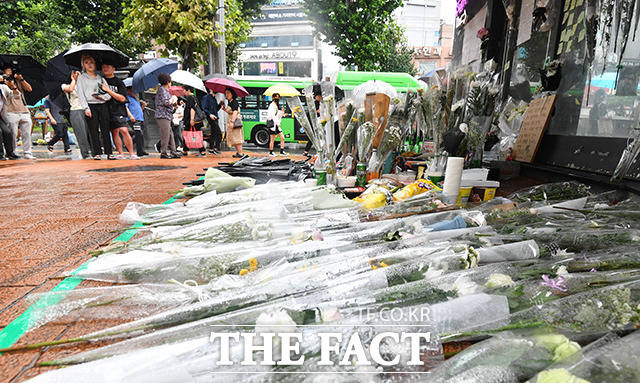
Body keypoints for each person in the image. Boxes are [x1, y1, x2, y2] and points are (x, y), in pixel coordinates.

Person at [76, 55, 113, 160]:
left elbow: (108, 93)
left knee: (106, 129)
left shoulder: (100, 78)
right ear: (83, 65)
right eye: (86, 62)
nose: (90, 65)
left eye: (91, 62)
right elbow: (81, 94)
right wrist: (86, 108)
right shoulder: (81, 78)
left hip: (102, 105)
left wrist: (102, 97)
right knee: (93, 130)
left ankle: (109, 152)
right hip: (90, 105)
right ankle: (96, 152)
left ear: (95, 64)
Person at [101, 62, 137, 159]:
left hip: (118, 109)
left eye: (108, 66)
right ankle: (121, 153)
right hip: (106, 109)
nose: (105, 68)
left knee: (124, 130)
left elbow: (122, 98)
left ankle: (132, 153)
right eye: (103, 67)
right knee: (114, 132)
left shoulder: (119, 82)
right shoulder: (100, 81)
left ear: (113, 69)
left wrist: (108, 90)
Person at [1, 64, 35, 159]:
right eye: (9, 70)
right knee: (13, 133)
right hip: (10, 110)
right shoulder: (3, 83)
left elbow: (29, 89)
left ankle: (27, 152)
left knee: (27, 133)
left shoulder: (18, 81)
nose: (11, 71)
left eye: (11, 70)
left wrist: (21, 79)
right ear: (4, 71)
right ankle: (12, 152)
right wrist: (9, 84)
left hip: (24, 110)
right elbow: (13, 94)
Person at [63, 70, 92, 159]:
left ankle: (94, 152)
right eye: (74, 73)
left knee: (90, 132)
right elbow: (71, 89)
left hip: (87, 109)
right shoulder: (65, 85)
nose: (77, 74)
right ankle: (85, 154)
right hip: (76, 110)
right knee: (81, 133)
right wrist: (74, 80)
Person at [155, 73, 180, 159]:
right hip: (163, 115)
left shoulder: (164, 91)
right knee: (165, 135)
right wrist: (173, 99)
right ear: (168, 82)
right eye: (170, 82)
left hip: (166, 115)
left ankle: (173, 152)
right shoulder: (162, 90)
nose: (171, 83)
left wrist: (174, 105)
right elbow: (166, 102)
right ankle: (164, 153)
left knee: (170, 134)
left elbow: (168, 104)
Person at [182, 85, 206, 157]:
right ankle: (185, 150)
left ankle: (202, 151)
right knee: (189, 134)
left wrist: (192, 120)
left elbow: (192, 108)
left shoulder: (190, 97)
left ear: (188, 90)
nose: (184, 92)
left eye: (184, 90)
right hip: (194, 121)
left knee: (190, 135)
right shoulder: (194, 97)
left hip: (191, 121)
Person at [125, 84, 148, 157]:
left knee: (140, 135)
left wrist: (143, 106)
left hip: (139, 118)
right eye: (134, 91)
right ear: (129, 91)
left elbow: (139, 110)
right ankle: (139, 151)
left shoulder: (135, 99)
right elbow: (126, 108)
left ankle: (140, 149)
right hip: (133, 119)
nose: (136, 93)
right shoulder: (127, 98)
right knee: (138, 134)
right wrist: (131, 116)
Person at [222, 88, 244, 158]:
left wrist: (232, 122)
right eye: (226, 93)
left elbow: (235, 112)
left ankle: (240, 154)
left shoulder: (234, 102)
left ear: (232, 94)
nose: (226, 95)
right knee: (233, 138)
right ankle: (238, 152)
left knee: (237, 138)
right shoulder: (230, 102)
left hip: (234, 122)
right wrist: (224, 109)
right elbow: (230, 112)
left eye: (228, 93)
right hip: (231, 122)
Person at [0, 84, 19, 160]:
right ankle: (0, 155)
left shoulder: (3, 88)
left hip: (0, 116)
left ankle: (10, 153)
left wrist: (11, 85)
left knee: (7, 132)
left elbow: (15, 95)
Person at [202, 88, 221, 155]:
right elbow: (204, 108)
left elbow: (216, 109)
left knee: (214, 134)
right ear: (210, 89)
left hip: (215, 118)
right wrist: (210, 114)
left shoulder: (214, 98)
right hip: (210, 118)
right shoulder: (206, 97)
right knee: (219, 133)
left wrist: (220, 105)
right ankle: (216, 148)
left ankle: (211, 148)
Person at [303, 92, 322, 157]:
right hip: (313, 123)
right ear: (316, 97)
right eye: (319, 96)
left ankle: (307, 151)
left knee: (314, 138)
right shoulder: (315, 103)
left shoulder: (317, 103)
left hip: (315, 122)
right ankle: (315, 152)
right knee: (314, 138)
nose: (320, 98)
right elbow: (316, 111)